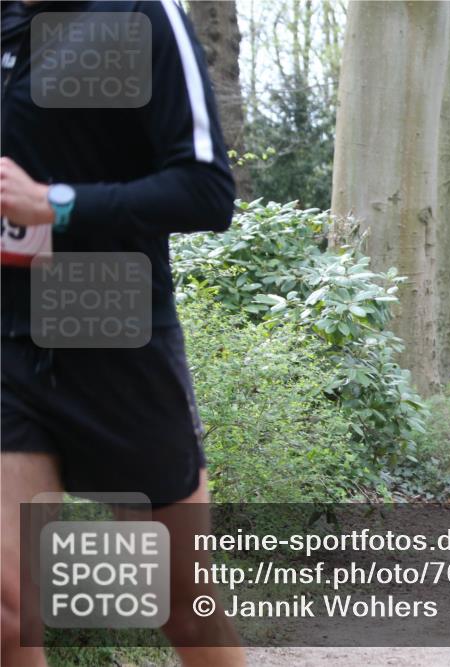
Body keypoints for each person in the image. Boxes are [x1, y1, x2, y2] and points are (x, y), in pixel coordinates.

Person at [1, 3, 244, 665]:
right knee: (5, 606)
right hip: (6, 336)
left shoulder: (138, 13)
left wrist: (58, 204)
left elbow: (206, 190)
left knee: (181, 607)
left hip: (111, 320)